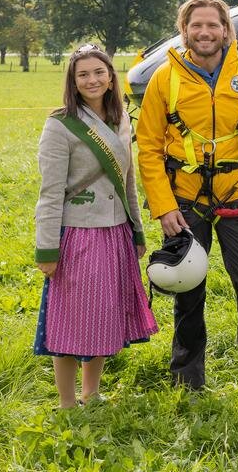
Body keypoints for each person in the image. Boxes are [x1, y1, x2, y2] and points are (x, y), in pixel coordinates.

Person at [136, 0, 238, 396]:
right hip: (185, 202)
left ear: (227, 30)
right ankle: (187, 380)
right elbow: (149, 148)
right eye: (196, 25)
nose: (205, 32)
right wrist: (164, 207)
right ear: (184, 30)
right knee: (187, 288)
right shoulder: (165, 79)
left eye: (213, 25)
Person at [34, 44, 157, 408]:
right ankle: (67, 402)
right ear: (73, 82)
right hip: (78, 232)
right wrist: (47, 249)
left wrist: (136, 231)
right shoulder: (60, 125)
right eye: (83, 74)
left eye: (99, 72)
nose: (92, 80)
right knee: (70, 319)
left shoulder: (121, 120)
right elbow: (50, 192)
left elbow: (128, 181)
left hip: (115, 229)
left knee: (103, 314)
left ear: (111, 78)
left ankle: (92, 392)